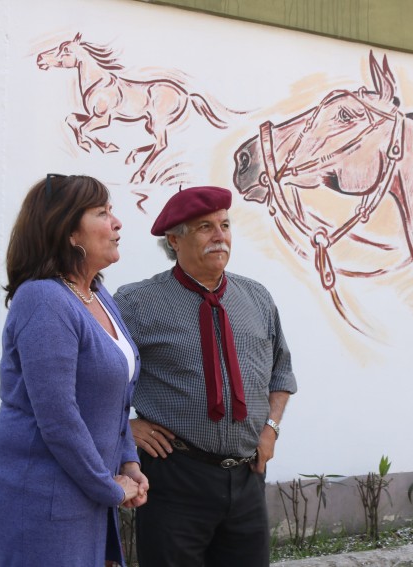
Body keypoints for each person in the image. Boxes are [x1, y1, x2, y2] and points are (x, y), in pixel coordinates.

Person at [114, 185, 298, 566]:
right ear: (174, 240)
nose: (220, 236)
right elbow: (93, 375)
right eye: (204, 227)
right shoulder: (136, 304)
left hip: (247, 478)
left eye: (225, 225)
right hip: (175, 479)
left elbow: (281, 371)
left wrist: (271, 429)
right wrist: (123, 428)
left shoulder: (257, 298)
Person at [0, 174, 149, 567]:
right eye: (102, 213)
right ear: (68, 231)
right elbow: (58, 416)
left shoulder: (97, 295)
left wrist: (129, 462)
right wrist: (109, 487)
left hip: (89, 485)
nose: (117, 222)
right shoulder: (44, 299)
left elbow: (116, 399)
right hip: (45, 495)